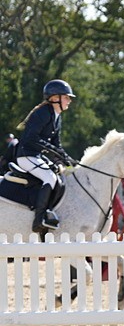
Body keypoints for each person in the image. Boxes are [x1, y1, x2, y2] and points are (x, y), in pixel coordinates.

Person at [14, 80, 76, 229]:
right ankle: (39, 219)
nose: (69, 101)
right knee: (49, 177)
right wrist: (53, 152)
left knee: (59, 176)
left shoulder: (56, 116)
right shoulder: (42, 113)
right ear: (55, 98)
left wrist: (66, 158)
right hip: (26, 155)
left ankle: (49, 210)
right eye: (66, 97)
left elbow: (56, 144)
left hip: (36, 156)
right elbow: (32, 138)